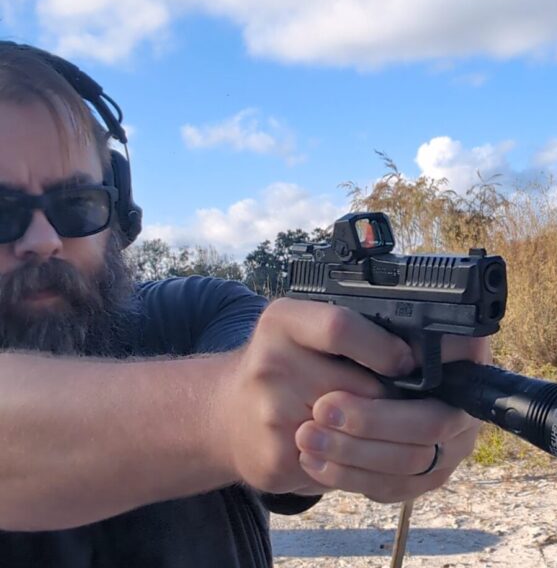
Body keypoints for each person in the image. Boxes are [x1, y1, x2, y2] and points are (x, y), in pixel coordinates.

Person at [0, 41, 486, 567]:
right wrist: (223, 414)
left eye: (75, 205)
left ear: (119, 207)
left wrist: (360, 408)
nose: (42, 239)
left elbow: (277, 385)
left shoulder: (198, 311)